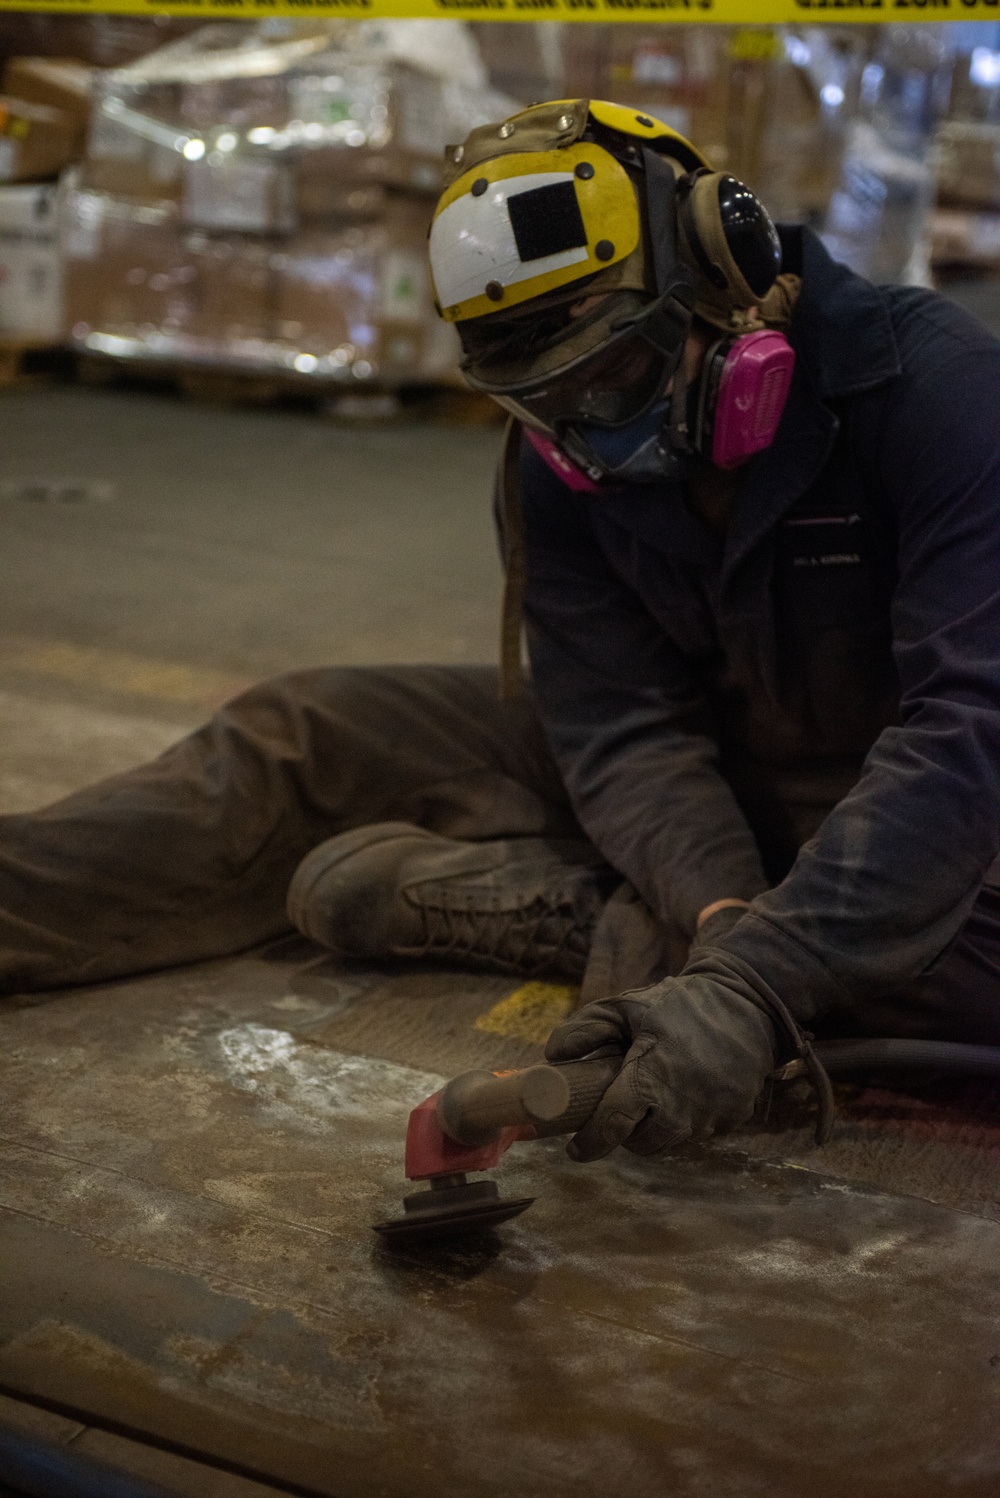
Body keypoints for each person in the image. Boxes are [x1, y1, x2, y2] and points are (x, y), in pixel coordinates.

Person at [4, 99, 1000, 1163]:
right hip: (719, 773)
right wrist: (717, 915)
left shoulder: (933, 387)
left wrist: (756, 979)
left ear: (722, 268)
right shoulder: (561, 452)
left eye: (612, 379)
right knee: (310, 728)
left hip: (916, 795)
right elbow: (621, 726)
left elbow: (970, 733)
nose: (594, 444)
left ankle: (588, 917)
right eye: (543, 401)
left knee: (939, 933)